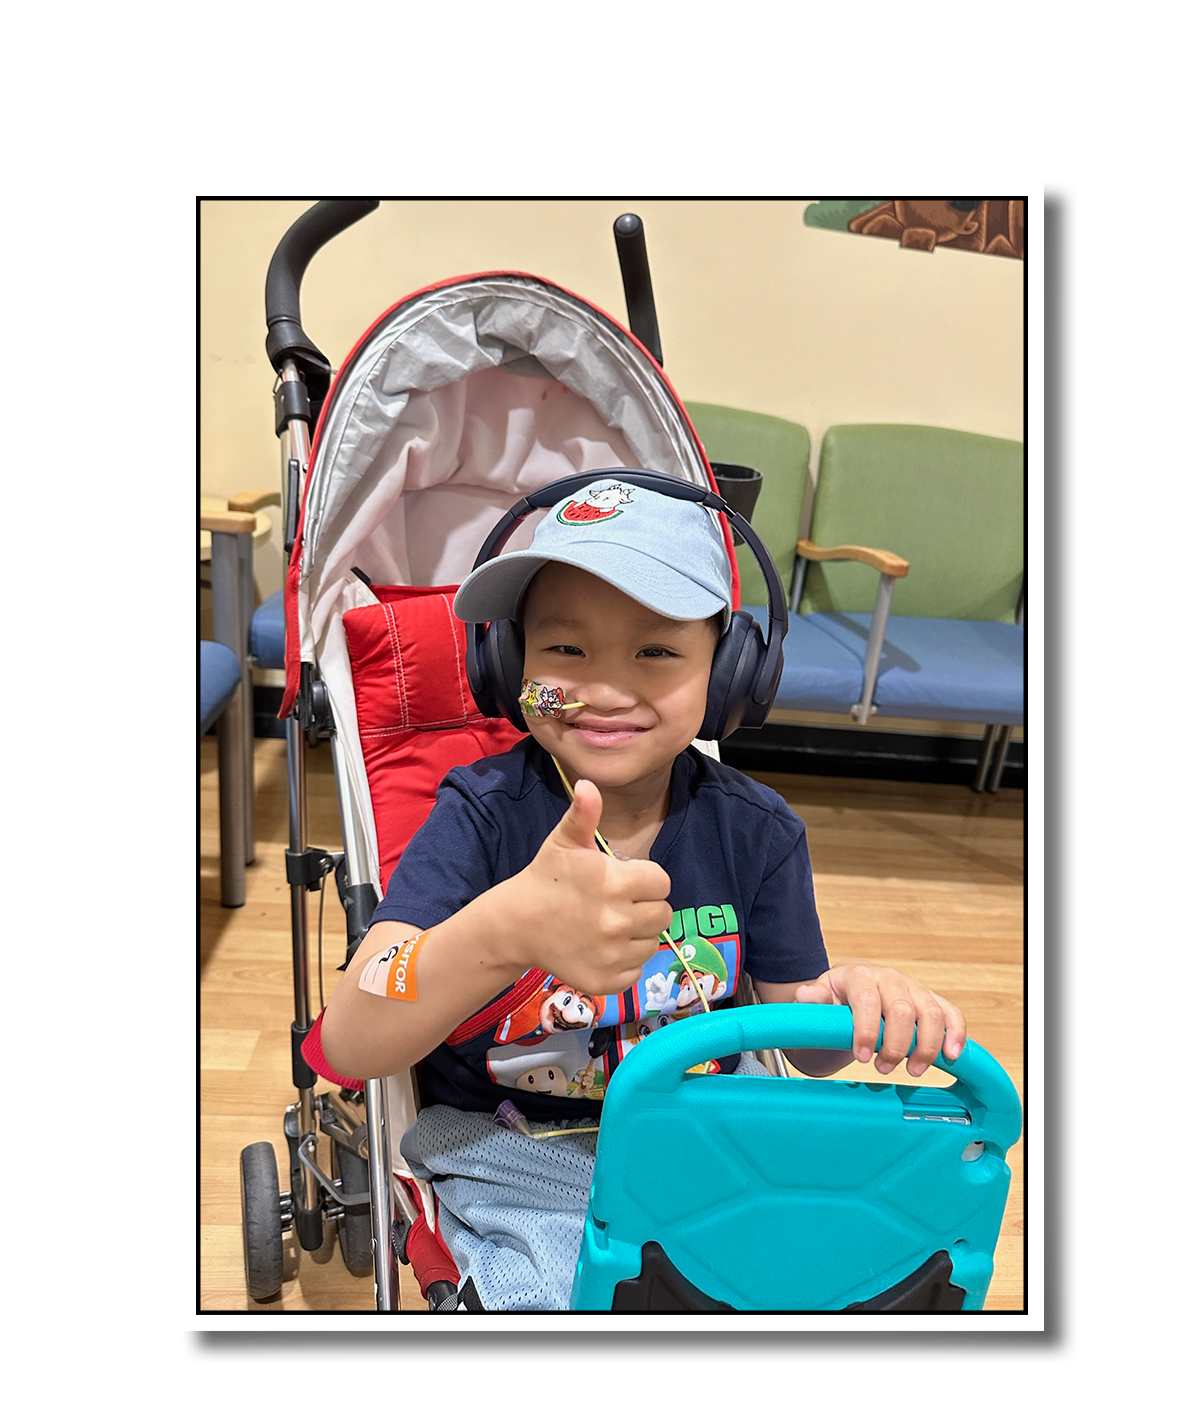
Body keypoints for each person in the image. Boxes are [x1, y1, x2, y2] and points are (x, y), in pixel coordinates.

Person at [317, 475, 965, 1310]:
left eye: (656, 652)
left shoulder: (759, 834)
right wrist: (505, 929)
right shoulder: (480, 818)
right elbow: (355, 1030)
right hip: (513, 1152)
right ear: (510, 664)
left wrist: (848, 1001)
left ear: (729, 672)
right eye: (564, 651)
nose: (605, 690)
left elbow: (803, 1040)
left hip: (702, 1143)